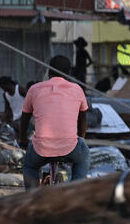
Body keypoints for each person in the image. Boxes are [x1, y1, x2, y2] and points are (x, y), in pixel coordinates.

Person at [17, 55, 89, 189]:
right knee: (84, 156)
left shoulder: (34, 89)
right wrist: (80, 138)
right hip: (70, 147)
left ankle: (31, 197)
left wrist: (22, 139)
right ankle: (76, 191)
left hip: (41, 149)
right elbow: (83, 119)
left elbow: (25, 118)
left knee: (30, 166)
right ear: (68, 73)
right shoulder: (77, 89)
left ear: (49, 71)